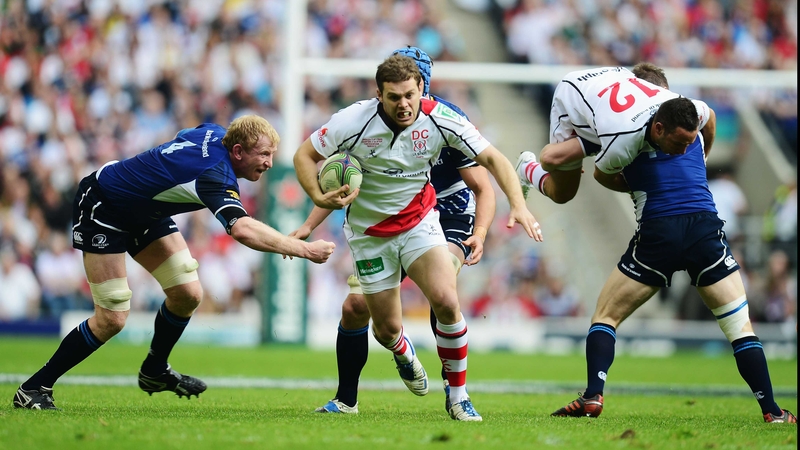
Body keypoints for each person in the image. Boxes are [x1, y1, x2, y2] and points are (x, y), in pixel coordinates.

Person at [13, 115, 336, 410]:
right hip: (105, 204)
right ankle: (34, 387)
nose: (268, 163)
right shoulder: (216, 175)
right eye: (263, 155)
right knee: (112, 316)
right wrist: (301, 249)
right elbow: (241, 228)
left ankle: (154, 370)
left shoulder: (214, 133)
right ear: (237, 151)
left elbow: (186, 135)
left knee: (188, 293)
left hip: (146, 211)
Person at [535, 68, 795, 423]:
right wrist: (699, 161)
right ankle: (773, 412)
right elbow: (710, 121)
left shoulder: (630, 133)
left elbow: (598, 173)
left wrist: (634, 186)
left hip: (658, 231)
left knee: (606, 316)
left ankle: (594, 395)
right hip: (704, 228)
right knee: (740, 327)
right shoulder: (693, 129)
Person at [293, 54, 543, 421]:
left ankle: (458, 397)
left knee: (444, 298)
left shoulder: (443, 118)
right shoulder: (351, 121)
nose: (404, 104)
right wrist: (317, 199)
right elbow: (304, 155)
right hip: (369, 234)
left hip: (420, 223)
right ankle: (400, 348)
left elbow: (494, 160)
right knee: (385, 328)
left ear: (422, 89)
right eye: (394, 97)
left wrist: (517, 205)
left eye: (410, 95)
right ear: (379, 94)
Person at [515, 62, 672, 203]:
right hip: (571, 102)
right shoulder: (621, 124)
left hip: (596, 101)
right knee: (562, 194)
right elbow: (548, 158)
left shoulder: (637, 108)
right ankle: (527, 166)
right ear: (662, 90)